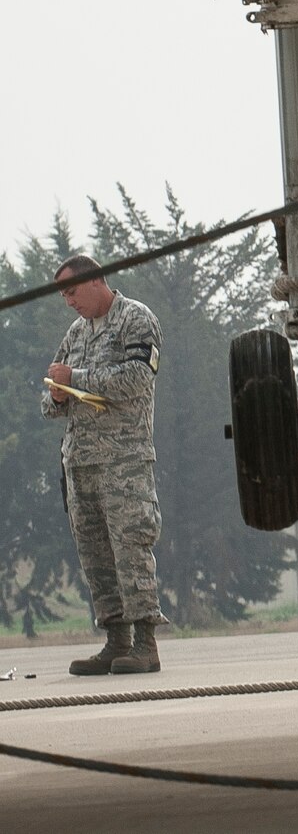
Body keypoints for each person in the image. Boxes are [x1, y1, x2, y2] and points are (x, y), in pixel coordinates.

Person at [40, 255, 168, 675]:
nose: (68, 302)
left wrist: (76, 378)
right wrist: (57, 396)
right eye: (63, 295)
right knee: (95, 556)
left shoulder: (136, 319)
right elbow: (51, 395)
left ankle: (146, 644)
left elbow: (136, 379)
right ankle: (116, 641)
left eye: (72, 291)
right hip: (81, 464)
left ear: (96, 280)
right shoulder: (76, 333)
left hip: (124, 462)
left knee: (131, 548)